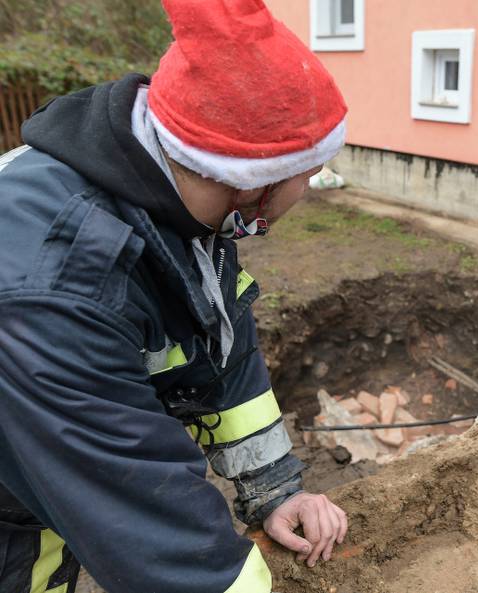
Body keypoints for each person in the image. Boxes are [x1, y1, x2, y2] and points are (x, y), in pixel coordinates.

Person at [0, 0, 351, 591]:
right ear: (256, 181)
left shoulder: (178, 199)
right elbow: (150, 534)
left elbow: (219, 349)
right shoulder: (57, 292)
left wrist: (273, 489)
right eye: (310, 172)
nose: (312, 188)